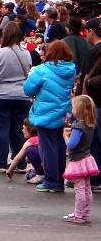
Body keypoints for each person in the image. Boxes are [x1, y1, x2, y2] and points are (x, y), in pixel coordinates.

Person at [0, 23, 33, 173]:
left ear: (4, 36)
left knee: (2, 129)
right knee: (18, 129)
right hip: (22, 95)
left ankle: (1, 162)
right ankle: (20, 162)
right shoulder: (26, 53)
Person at [24, 40, 77, 193]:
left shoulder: (42, 70)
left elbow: (28, 89)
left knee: (47, 148)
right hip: (62, 112)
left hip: (45, 113)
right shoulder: (71, 69)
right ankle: (59, 179)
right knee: (60, 147)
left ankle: (52, 181)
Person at [62, 95, 99, 224]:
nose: (72, 109)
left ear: (78, 109)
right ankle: (86, 213)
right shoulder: (90, 124)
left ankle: (78, 215)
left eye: (73, 106)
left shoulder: (79, 126)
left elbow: (72, 144)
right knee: (87, 187)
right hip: (87, 159)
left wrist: (66, 136)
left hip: (78, 160)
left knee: (79, 189)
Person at [76, 17, 101, 191]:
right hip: (95, 101)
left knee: (93, 140)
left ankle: (94, 177)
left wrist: (89, 83)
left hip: (95, 101)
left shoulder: (96, 51)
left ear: (91, 32)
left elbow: (88, 76)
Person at [5, 118, 44, 184]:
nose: (22, 130)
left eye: (24, 128)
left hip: (45, 166)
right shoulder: (43, 137)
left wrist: (10, 170)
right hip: (53, 167)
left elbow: (17, 158)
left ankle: (40, 175)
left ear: (29, 129)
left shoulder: (30, 141)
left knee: (30, 151)